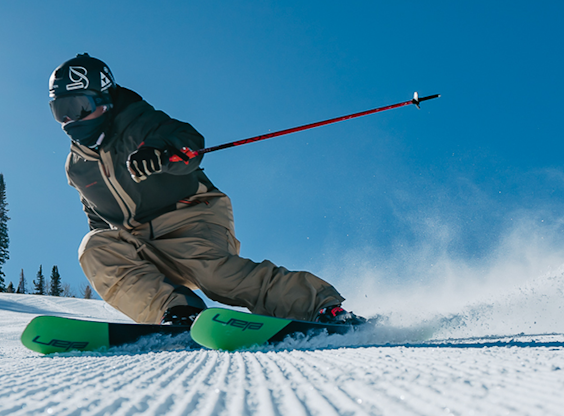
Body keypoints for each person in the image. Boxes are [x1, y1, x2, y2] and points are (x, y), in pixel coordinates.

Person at [49, 53, 363, 327]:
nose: (69, 120)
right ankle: (177, 310)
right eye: (60, 110)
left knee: (217, 278)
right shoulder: (77, 167)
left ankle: (320, 305)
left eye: (79, 106)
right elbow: (96, 217)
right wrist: (111, 246)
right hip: (139, 240)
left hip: (190, 218)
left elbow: (184, 138)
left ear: (105, 100)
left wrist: (158, 151)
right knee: (93, 246)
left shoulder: (136, 121)